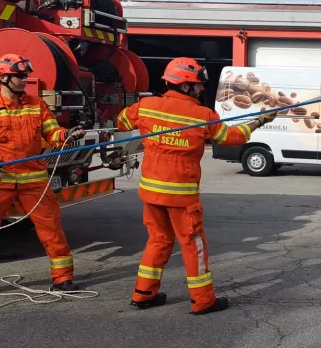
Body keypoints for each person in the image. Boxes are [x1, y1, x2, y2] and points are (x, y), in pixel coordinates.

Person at [116, 57, 276, 314]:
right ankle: (203, 300)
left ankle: (143, 294)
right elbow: (231, 137)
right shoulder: (202, 116)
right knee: (192, 245)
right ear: (185, 86)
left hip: (151, 192)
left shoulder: (146, 106)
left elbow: (122, 121)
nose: (202, 89)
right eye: (198, 85)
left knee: (157, 241)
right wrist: (259, 121)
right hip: (181, 196)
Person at [0, 54, 86, 299]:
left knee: (52, 229)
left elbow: (51, 132)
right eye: (20, 76)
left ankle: (63, 279)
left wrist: (67, 135)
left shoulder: (36, 104)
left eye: (26, 75)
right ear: (4, 78)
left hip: (34, 179)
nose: (26, 80)